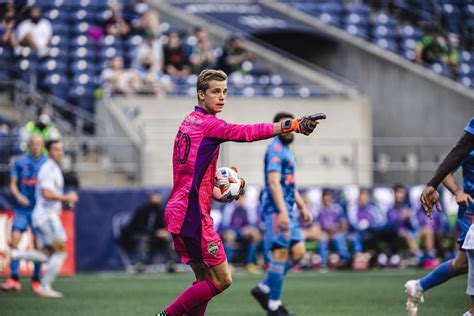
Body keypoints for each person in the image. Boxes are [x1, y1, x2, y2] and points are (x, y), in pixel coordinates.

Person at [156, 70, 323, 316]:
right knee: (222, 280)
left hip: (179, 210)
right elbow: (247, 132)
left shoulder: (188, 122)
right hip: (192, 215)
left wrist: (215, 191)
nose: (222, 97)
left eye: (225, 92)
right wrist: (294, 124)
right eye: (215, 91)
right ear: (201, 95)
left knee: (204, 278)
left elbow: (187, 172)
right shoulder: (210, 125)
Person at [250, 112, 315, 316]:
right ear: (278, 128)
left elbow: (288, 183)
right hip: (277, 210)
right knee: (280, 254)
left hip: (288, 210)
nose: (289, 129)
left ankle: (264, 288)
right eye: (284, 125)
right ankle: (274, 306)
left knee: (298, 252)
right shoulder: (276, 150)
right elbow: (273, 182)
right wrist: (282, 212)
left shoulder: (286, 150)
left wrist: (302, 206)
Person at [409, 117, 474, 315]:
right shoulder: (468, 145)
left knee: (462, 264)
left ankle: (418, 286)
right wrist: (457, 192)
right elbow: (449, 165)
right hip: (470, 211)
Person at [11, 139, 79, 298]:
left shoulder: (53, 168)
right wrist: (66, 197)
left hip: (44, 216)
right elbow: (46, 193)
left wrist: (64, 200)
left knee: (47, 254)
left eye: (61, 149)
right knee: (61, 253)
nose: (60, 152)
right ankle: (45, 286)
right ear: (48, 151)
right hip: (46, 217)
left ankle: (14, 254)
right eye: (56, 149)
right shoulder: (49, 168)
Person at [1, 136, 46, 293]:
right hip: (22, 210)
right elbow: (13, 184)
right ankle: (14, 278)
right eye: (33, 144)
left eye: (38, 144)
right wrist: (19, 196)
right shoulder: (20, 162)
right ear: (29, 145)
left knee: (38, 244)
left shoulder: (47, 163)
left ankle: (36, 279)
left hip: (39, 211)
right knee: (15, 240)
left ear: (42, 146)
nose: (36, 147)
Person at [118, 192, 175, 273]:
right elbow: (138, 228)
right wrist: (155, 233)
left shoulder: (161, 211)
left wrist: (164, 232)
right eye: (155, 198)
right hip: (138, 236)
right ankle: (141, 264)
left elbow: (164, 225)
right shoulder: (142, 211)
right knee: (143, 238)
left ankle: (171, 263)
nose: (157, 201)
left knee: (168, 238)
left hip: (155, 238)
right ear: (150, 199)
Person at [220, 192, 262, 273]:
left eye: (243, 198)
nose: (241, 200)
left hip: (243, 233)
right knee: (230, 235)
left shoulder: (248, 208)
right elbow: (224, 225)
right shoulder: (229, 207)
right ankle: (228, 264)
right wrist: (237, 230)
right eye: (239, 198)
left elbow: (252, 224)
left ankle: (250, 263)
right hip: (231, 232)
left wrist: (249, 229)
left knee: (255, 235)